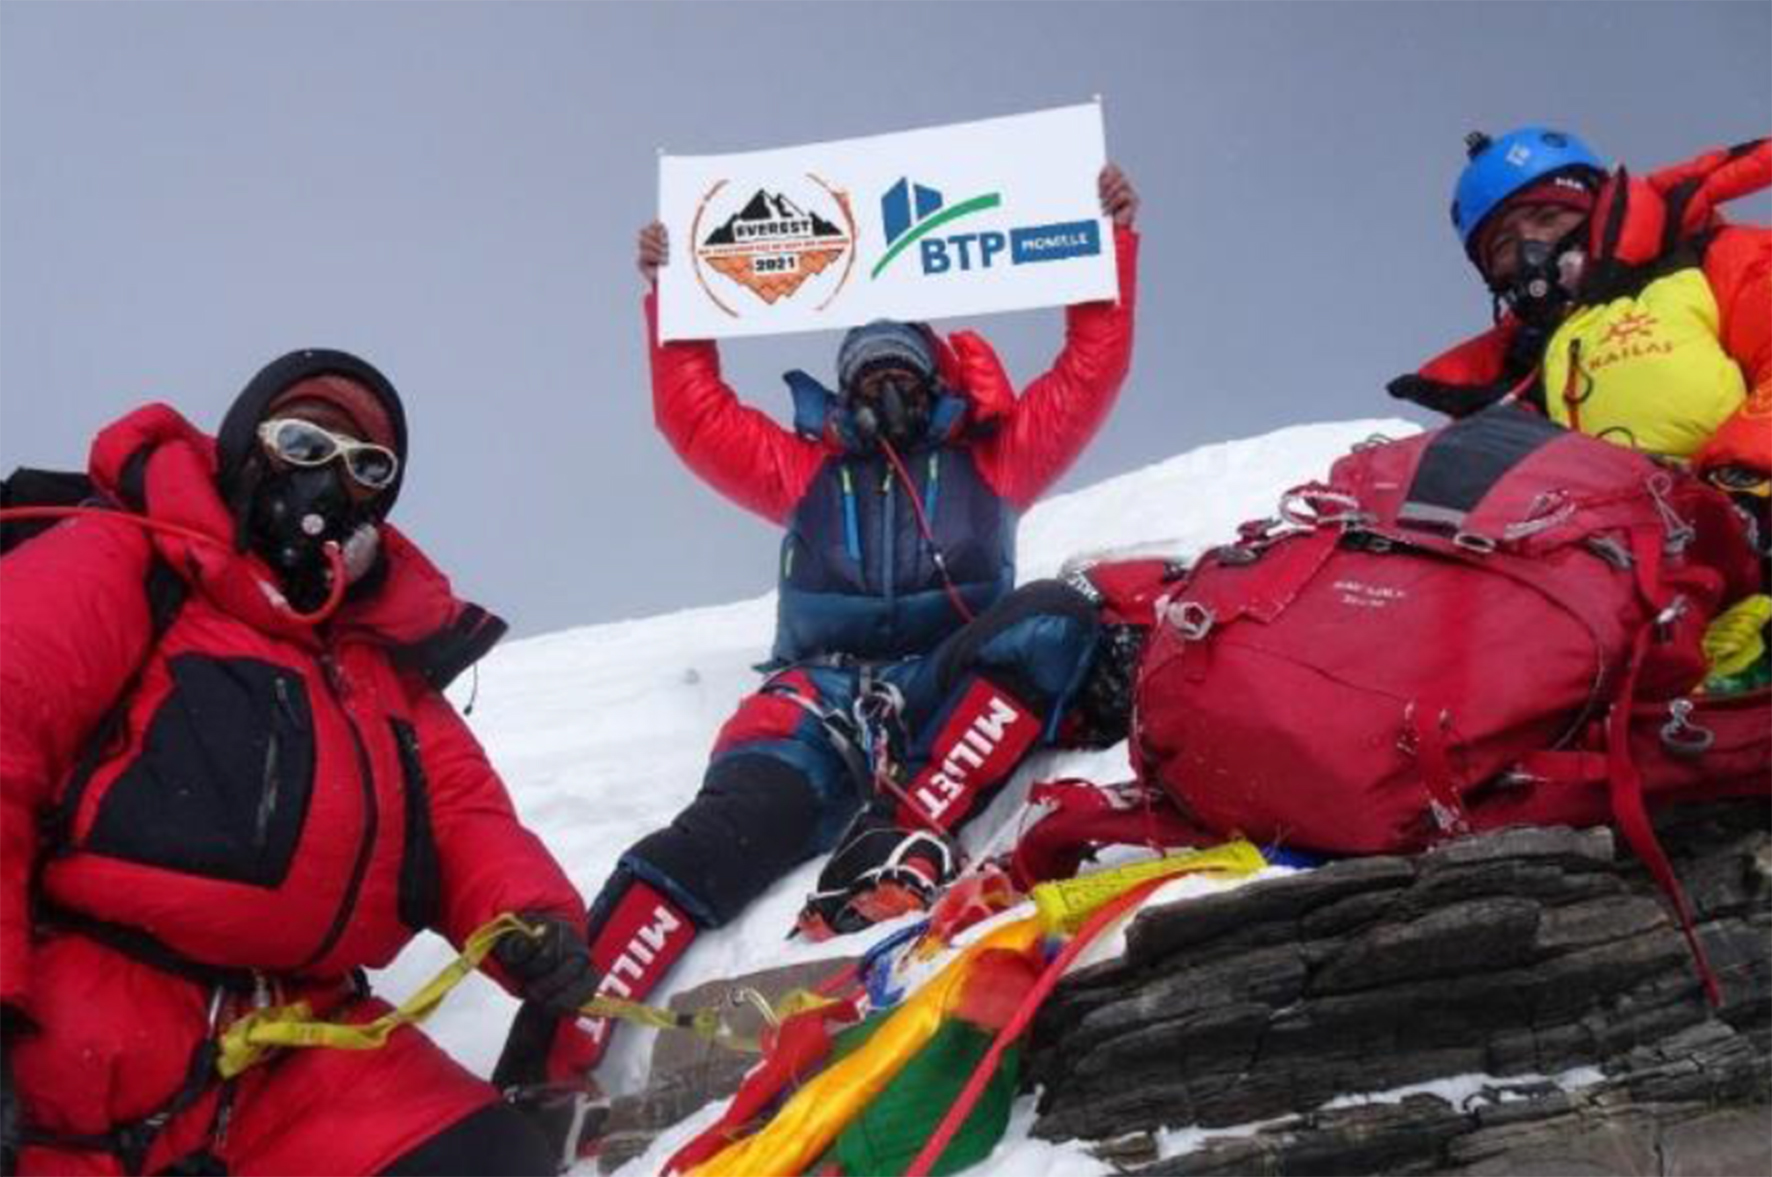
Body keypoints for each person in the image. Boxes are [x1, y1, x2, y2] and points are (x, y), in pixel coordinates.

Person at [493, 166, 1141, 1130]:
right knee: (704, 844)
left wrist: (1107, 244)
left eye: (903, 373)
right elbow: (693, 411)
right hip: (815, 706)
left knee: (1056, 617)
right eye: (867, 376)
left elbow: (1091, 367)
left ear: (936, 381)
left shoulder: (993, 461)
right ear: (843, 393)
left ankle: (901, 836)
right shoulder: (803, 475)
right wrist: (676, 295)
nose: (886, 390)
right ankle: (544, 1065)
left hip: (941, 684)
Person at [0, 352, 600, 1176]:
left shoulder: (370, 657)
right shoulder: (124, 557)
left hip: (292, 1042)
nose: (328, 477)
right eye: (301, 441)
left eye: (364, 464)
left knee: (492, 1161)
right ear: (244, 445)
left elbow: (460, 817)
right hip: (76, 1036)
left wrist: (527, 918)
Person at [1388, 127, 1770, 490]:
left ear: (1598, 208)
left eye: (1548, 218)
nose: (1530, 245)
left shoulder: (1713, 262)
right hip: (1606, 548)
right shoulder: (1509, 376)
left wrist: (1746, 482)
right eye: (1504, 244)